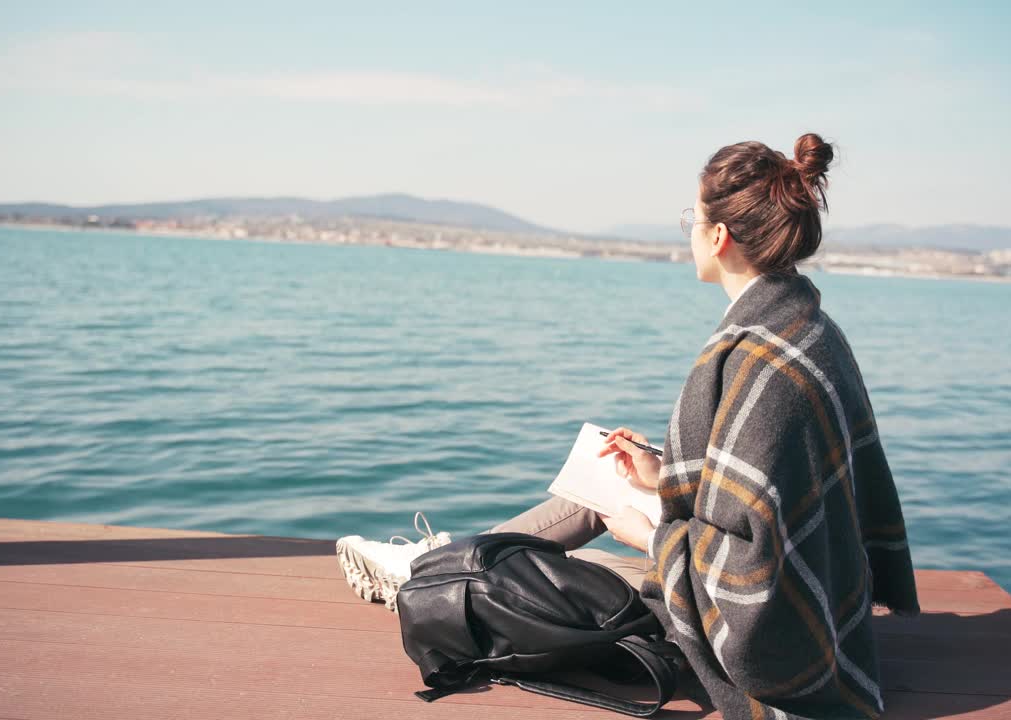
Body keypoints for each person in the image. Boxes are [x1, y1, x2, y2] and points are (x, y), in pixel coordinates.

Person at [336, 132, 920, 720]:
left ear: (718, 236)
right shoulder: (812, 330)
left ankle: (440, 571)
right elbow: (768, 498)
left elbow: (750, 570)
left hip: (766, 634)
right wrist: (660, 474)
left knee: (531, 591)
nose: (689, 229)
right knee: (606, 475)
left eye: (692, 216)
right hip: (813, 593)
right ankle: (450, 558)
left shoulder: (752, 360)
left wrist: (651, 538)